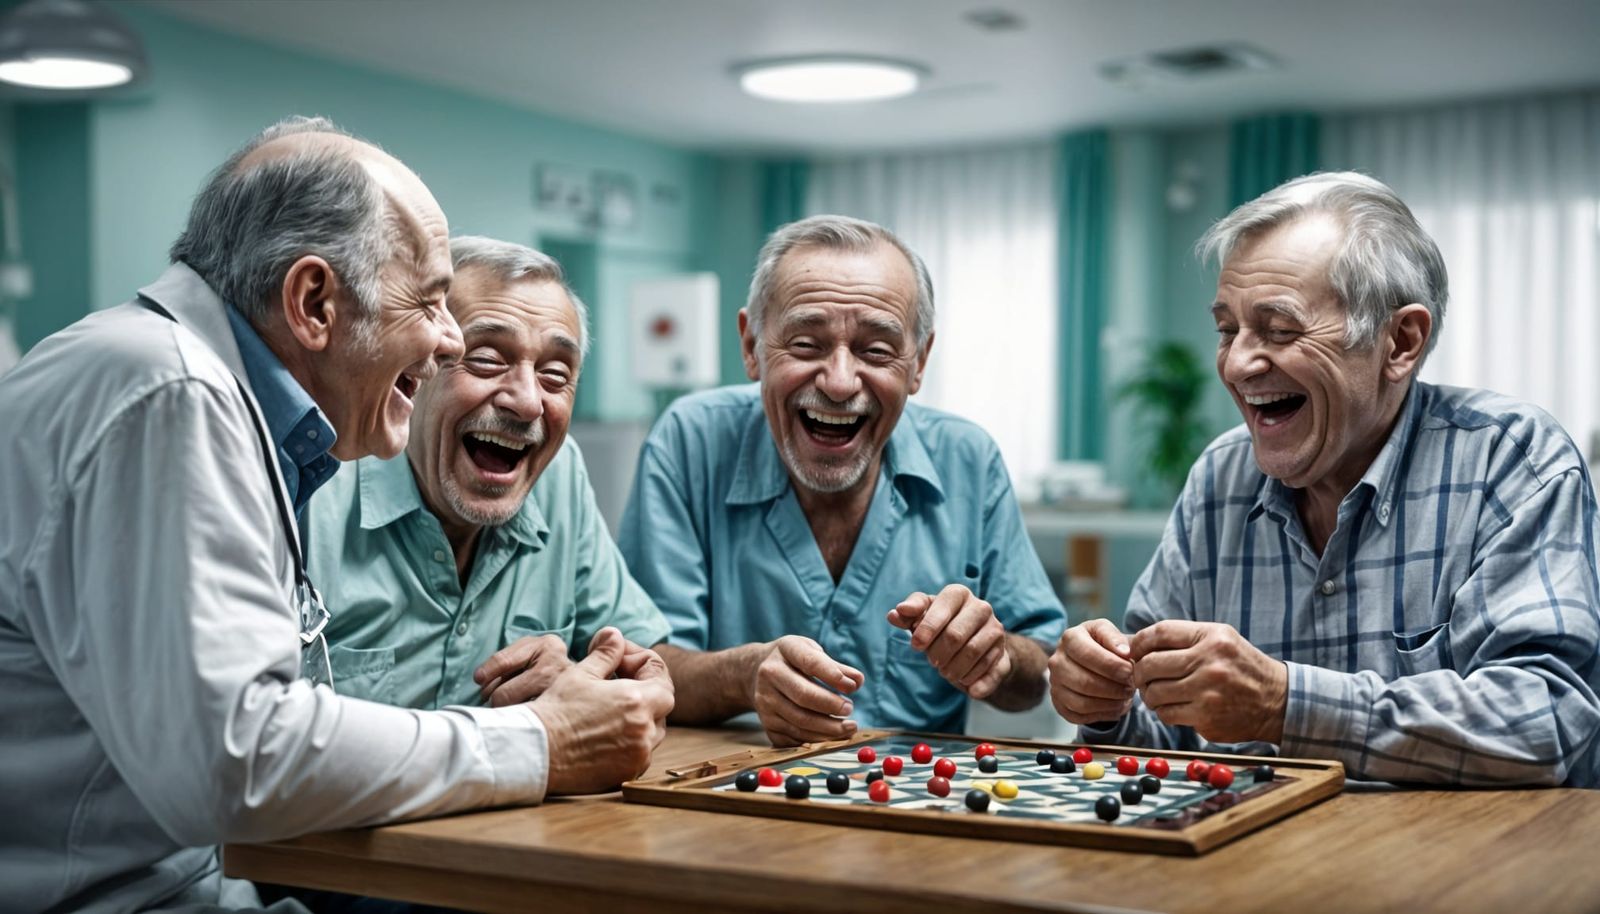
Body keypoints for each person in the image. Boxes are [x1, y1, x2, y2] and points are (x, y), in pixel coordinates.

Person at [0, 118, 673, 914]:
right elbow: (236, 763)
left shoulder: (194, 388)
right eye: (429, 300)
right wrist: (543, 740)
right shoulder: (172, 394)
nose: (447, 340)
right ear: (314, 302)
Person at [1048, 171, 1600, 786]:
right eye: (1227, 330)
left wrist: (1285, 703)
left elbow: (1547, 721)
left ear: (1401, 342)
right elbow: (1162, 742)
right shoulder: (1219, 481)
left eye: (1280, 330)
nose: (1237, 364)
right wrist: (1106, 704)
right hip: (1261, 844)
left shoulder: (1510, 460)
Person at [620, 215, 1066, 746]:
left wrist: (996, 654)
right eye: (806, 344)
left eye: (876, 350)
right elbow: (642, 666)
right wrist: (743, 676)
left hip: (916, 789)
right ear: (751, 345)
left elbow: (1037, 676)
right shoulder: (689, 442)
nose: (838, 382)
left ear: (919, 361)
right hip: (727, 786)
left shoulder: (969, 459)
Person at [306, 235, 671, 708]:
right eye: (486, 360)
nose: (528, 402)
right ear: (411, 371)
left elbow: (641, 658)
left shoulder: (559, 474)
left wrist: (583, 677)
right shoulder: (311, 482)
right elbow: (250, 722)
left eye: (555, 375)